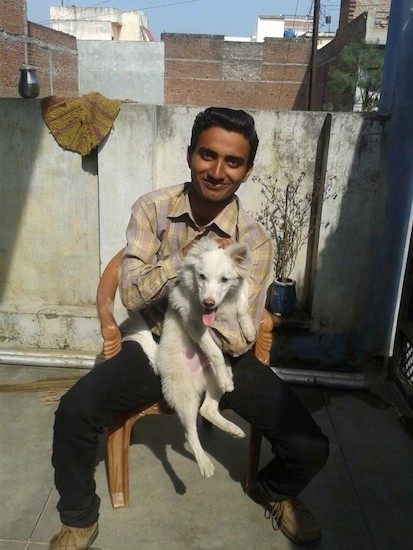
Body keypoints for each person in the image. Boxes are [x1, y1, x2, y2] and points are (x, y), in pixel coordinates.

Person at [49, 107, 329, 549]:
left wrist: (202, 334)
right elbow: (133, 295)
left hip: (224, 356)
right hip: (154, 343)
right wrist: (188, 259)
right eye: (207, 155)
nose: (217, 171)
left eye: (232, 162)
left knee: (311, 446)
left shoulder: (252, 241)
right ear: (190, 154)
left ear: (247, 170)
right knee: (74, 412)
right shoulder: (153, 208)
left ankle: (274, 491)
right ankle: (79, 518)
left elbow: (241, 334)